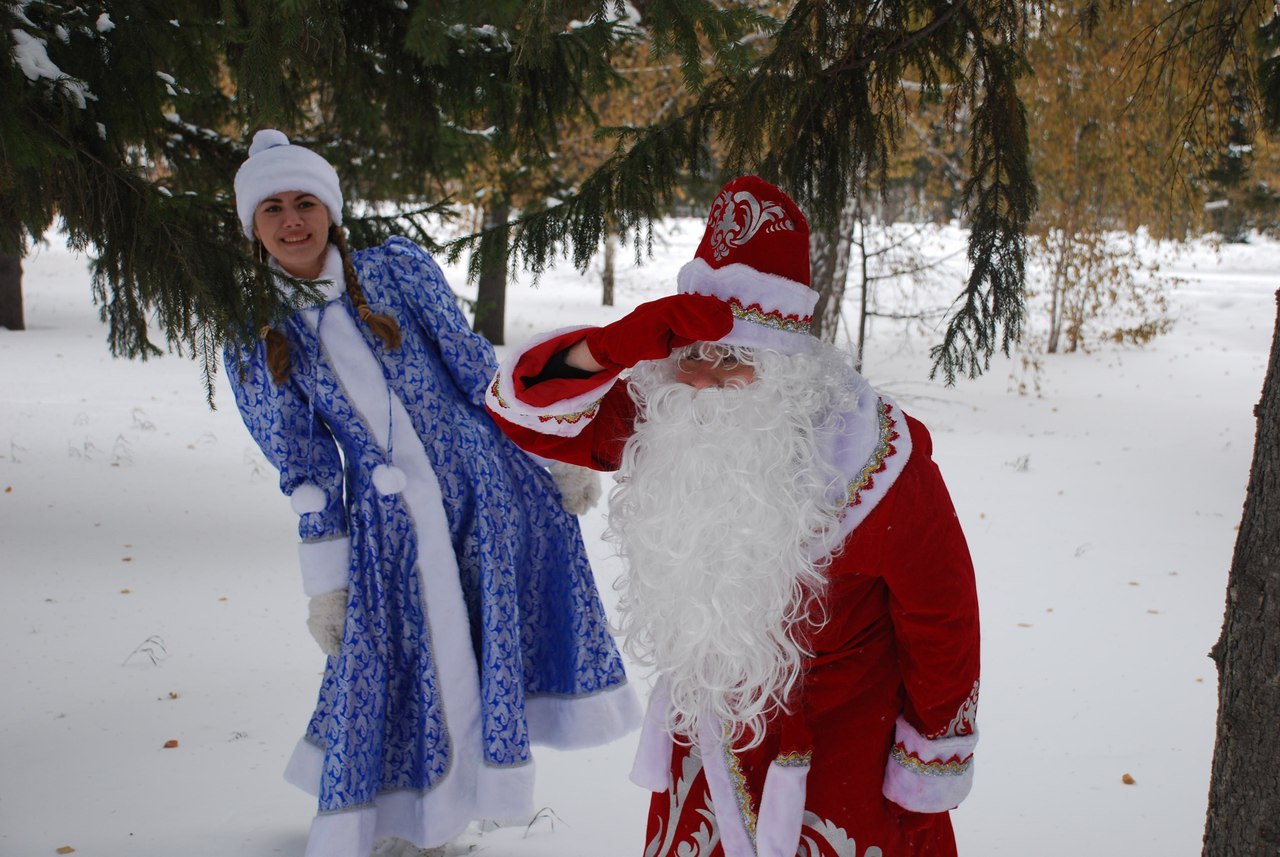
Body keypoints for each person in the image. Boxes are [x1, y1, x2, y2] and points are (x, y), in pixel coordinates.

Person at [484, 176, 981, 857]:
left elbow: (943, 618)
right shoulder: (670, 419)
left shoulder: (876, 460)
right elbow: (524, 415)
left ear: (789, 373)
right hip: (707, 751)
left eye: (734, 358)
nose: (705, 380)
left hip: (842, 765)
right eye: (690, 355)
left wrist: (924, 772)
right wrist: (607, 350)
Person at [223, 129, 640, 857]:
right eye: (274, 209)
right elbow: (308, 470)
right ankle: (411, 817)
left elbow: (478, 370)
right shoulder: (258, 336)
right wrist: (327, 584)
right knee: (403, 663)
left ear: (331, 209)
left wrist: (547, 450)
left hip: (485, 491)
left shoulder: (395, 272)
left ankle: (457, 809)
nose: (293, 221)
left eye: (306, 202)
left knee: (482, 647)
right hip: (392, 531)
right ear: (253, 227)